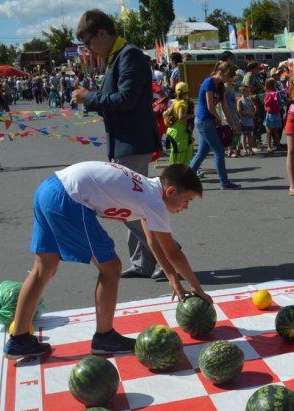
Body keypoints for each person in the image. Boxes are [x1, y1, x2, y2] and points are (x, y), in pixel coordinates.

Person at [3, 162, 210, 359]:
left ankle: (19, 340)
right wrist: (196, 287)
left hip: (48, 188)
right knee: (111, 267)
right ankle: (104, 337)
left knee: (44, 268)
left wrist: (172, 278)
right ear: (171, 191)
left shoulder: (149, 189)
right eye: (187, 201)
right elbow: (173, 252)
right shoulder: (155, 201)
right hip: (69, 198)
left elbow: (152, 242)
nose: (186, 207)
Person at [70, 9, 167, 281]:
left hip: (133, 141)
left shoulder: (129, 56)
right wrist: (93, 99)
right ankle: (143, 262)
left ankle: (167, 253)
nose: (89, 50)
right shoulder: (117, 57)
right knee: (131, 203)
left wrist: (90, 98)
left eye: (89, 43)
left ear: (102, 33)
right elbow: (118, 100)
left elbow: (125, 99)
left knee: (126, 205)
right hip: (125, 141)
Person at [188, 61, 240, 190]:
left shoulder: (221, 86)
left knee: (202, 152)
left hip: (208, 121)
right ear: (220, 73)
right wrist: (219, 119)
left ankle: (185, 181)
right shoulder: (209, 82)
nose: (229, 80)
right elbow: (210, 107)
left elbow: (225, 107)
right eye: (228, 76)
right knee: (219, 151)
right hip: (204, 120)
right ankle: (224, 182)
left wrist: (232, 123)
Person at [164, 82, 194, 166]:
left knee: (174, 154)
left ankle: (173, 174)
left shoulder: (175, 102)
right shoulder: (182, 103)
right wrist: (191, 115)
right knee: (180, 155)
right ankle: (177, 174)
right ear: (186, 92)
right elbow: (181, 117)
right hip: (179, 131)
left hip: (173, 129)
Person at [263, 77, 284, 152]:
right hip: (271, 114)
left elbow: (280, 103)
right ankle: (270, 146)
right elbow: (266, 103)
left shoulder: (276, 93)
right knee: (270, 131)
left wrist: (278, 107)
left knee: (275, 131)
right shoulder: (268, 94)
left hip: (274, 114)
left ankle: (276, 145)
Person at [237, 84, 257, 156]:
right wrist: (249, 113)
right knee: (244, 135)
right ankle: (245, 149)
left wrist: (254, 110)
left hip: (250, 120)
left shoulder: (249, 100)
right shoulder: (240, 101)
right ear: (242, 92)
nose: (248, 93)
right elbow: (239, 111)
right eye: (247, 91)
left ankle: (250, 149)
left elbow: (253, 107)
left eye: (249, 91)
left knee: (250, 135)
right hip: (244, 120)